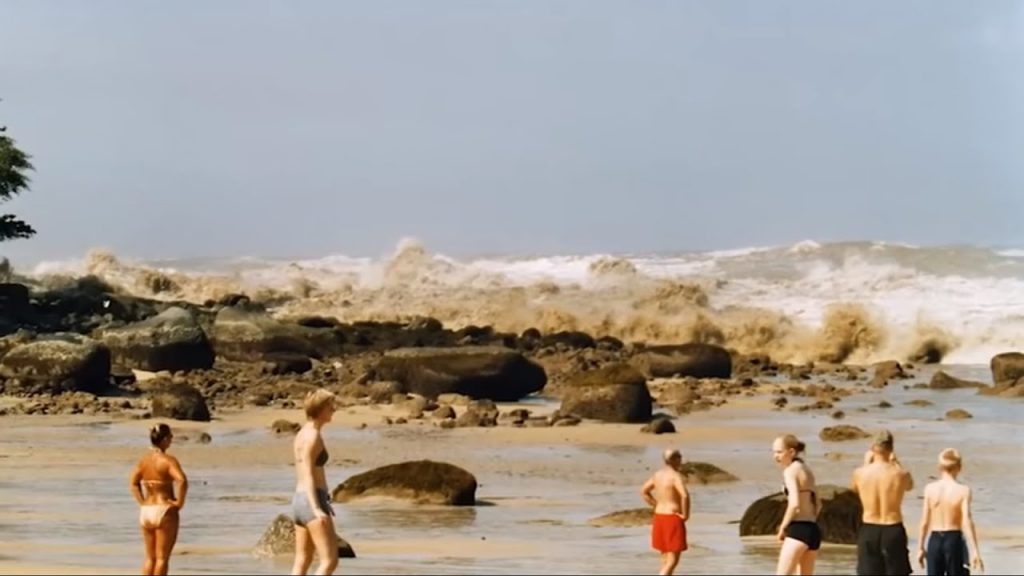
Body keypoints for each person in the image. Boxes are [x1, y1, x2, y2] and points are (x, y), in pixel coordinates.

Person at [851, 429, 915, 576]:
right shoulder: (901, 473)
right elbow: (910, 486)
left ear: (873, 448)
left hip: (869, 528)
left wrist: (866, 463)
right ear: (891, 448)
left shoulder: (860, 473)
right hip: (892, 528)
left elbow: (855, 489)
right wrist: (896, 462)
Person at [128, 423, 188, 576]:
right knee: (162, 558)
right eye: (170, 437)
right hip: (164, 508)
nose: (172, 440)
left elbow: (133, 482)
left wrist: (142, 501)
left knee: (150, 557)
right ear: (165, 439)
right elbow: (181, 480)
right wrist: (179, 503)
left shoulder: (144, 461)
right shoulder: (168, 460)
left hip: (147, 510)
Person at [292, 388, 340, 576]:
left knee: (302, 560)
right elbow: (308, 473)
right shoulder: (313, 437)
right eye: (330, 406)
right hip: (311, 500)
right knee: (329, 561)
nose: (333, 410)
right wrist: (316, 508)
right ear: (320, 409)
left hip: (298, 501)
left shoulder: (302, 433)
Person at [916, 449, 984, 575]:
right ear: (959, 467)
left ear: (939, 467)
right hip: (954, 539)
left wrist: (920, 546)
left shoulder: (930, 489)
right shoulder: (963, 490)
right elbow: (966, 521)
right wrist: (975, 551)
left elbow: (924, 521)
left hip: (935, 539)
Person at [773, 434, 823, 575]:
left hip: (798, 530)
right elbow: (818, 504)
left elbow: (794, 504)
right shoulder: (806, 469)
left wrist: (783, 527)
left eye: (779, 452)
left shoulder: (790, 472)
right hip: (813, 531)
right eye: (774, 452)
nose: (775, 456)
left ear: (791, 452)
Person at [640, 448, 690, 576]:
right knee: (673, 560)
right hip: (672, 518)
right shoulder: (675, 476)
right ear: (672, 460)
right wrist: (685, 515)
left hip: (659, 516)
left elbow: (644, 491)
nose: (681, 460)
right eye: (679, 457)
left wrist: (656, 504)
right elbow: (684, 495)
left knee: (664, 558)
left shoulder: (658, 474)